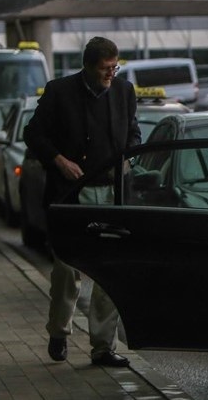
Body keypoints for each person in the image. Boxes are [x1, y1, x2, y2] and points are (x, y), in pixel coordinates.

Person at [24, 36, 141, 367]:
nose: (111, 74)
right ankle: (59, 331)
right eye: (106, 68)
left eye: (115, 67)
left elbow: (133, 132)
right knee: (67, 268)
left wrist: (129, 156)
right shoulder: (59, 92)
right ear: (88, 67)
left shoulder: (124, 91)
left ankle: (103, 347)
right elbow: (33, 134)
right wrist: (59, 159)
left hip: (112, 191)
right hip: (71, 192)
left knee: (109, 269)